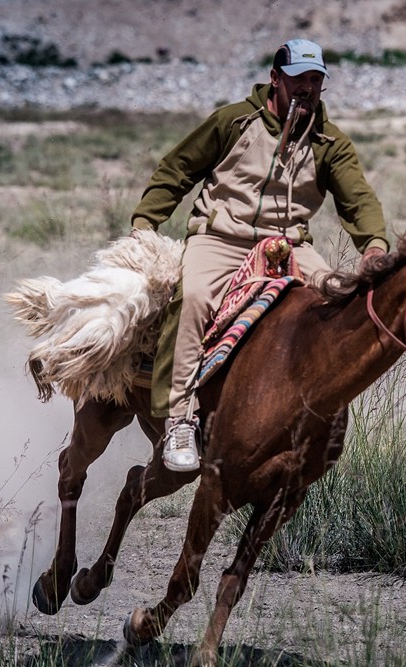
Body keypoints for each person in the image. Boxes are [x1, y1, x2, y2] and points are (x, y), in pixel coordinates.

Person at [131, 38, 389, 472]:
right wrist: (144, 224)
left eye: (315, 80)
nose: (307, 88)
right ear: (276, 79)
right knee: (192, 298)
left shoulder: (329, 143)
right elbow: (177, 169)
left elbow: (358, 199)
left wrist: (374, 246)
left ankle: (315, 416)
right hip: (219, 238)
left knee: (336, 302)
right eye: (298, 79)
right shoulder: (233, 121)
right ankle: (180, 418)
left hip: (289, 245)